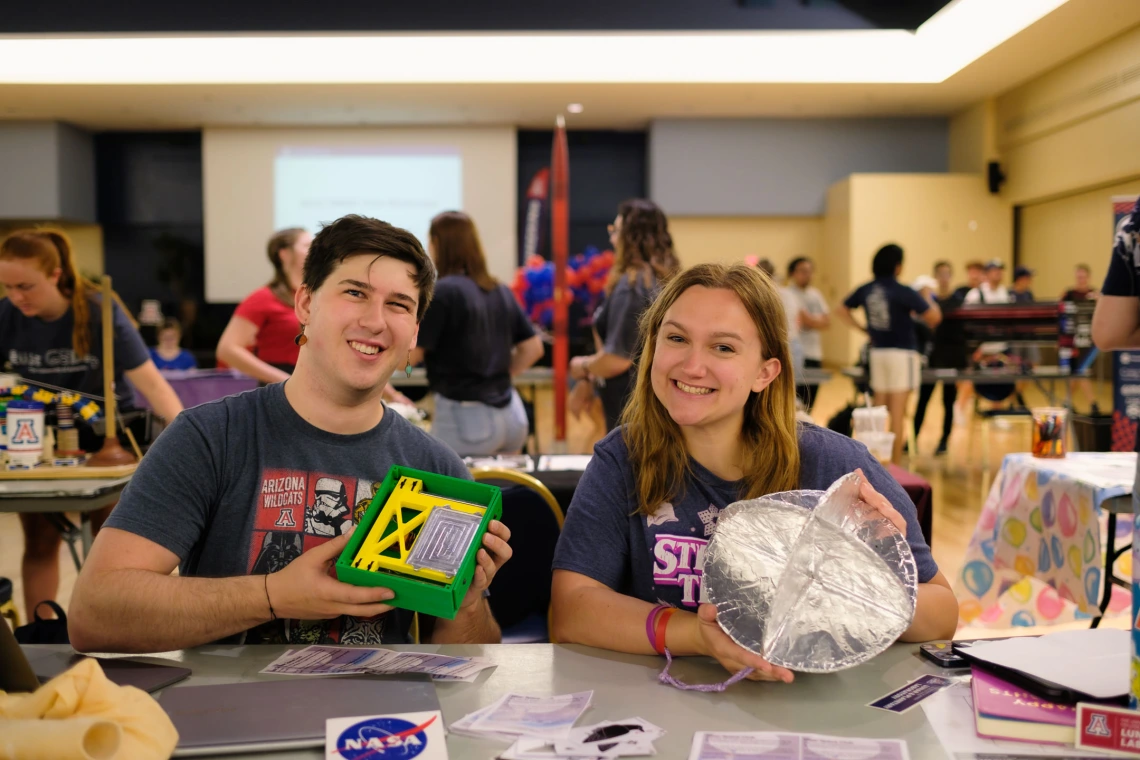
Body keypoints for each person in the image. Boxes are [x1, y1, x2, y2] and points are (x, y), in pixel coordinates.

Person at [68, 215, 513, 653]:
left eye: (399, 304)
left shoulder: (435, 467)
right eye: (355, 292)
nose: (376, 321)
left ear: (414, 331)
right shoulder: (209, 438)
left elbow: (467, 660)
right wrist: (272, 595)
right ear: (304, 304)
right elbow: (95, 613)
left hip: (376, 721)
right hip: (229, 718)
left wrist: (468, 602)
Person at [550, 263, 956, 682]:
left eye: (723, 348)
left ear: (765, 372)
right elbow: (571, 610)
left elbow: (942, 616)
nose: (692, 366)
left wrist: (864, 579)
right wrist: (698, 636)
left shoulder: (835, 466)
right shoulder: (623, 458)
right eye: (676, 338)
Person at [0, 228, 185, 618]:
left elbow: (152, 383)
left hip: (107, 444)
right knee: (39, 542)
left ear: (55, 274)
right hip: (40, 447)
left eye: (25, 286)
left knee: (112, 550)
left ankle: (110, 632)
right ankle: (41, 635)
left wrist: (190, 442)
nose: (16, 296)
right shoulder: (7, 315)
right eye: (7, 286)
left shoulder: (100, 311)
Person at [217, 227, 412, 404]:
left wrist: (392, 395)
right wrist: (283, 380)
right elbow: (228, 349)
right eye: (306, 245)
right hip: (280, 389)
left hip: (323, 387)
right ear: (284, 255)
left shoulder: (325, 296)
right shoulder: (263, 297)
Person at [411, 211, 544, 456]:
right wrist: (497, 377)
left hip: (466, 421)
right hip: (512, 416)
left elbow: (411, 357)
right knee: (502, 491)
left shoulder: (443, 292)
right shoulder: (499, 290)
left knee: (447, 493)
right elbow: (533, 348)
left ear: (438, 244)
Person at [570, 199, 680, 431]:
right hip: (652, 406)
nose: (612, 239)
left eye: (616, 231)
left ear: (632, 238)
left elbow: (617, 359)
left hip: (631, 408)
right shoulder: (665, 280)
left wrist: (582, 366)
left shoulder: (633, 285)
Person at [837, 244, 941, 463]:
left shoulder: (866, 289)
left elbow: (841, 309)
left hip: (878, 353)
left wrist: (863, 329)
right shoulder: (903, 291)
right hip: (902, 354)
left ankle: (873, 465)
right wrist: (927, 296)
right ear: (898, 266)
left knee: (877, 413)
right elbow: (934, 318)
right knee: (897, 414)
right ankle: (894, 469)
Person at [912, 262, 967, 456]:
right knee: (923, 400)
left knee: (948, 399)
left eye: (947, 274)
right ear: (935, 277)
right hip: (933, 358)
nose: (943, 278)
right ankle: (912, 438)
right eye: (940, 274)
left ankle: (944, 440)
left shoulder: (957, 301)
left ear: (951, 276)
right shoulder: (928, 301)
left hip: (952, 357)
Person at [784, 257, 830, 409]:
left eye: (810, 271)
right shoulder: (788, 294)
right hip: (796, 354)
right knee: (796, 399)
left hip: (814, 353)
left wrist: (811, 321)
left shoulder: (815, 294)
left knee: (810, 401)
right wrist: (814, 321)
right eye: (803, 271)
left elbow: (827, 322)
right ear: (792, 273)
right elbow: (805, 321)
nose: (807, 275)